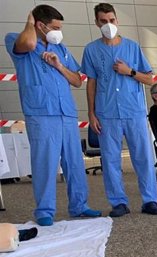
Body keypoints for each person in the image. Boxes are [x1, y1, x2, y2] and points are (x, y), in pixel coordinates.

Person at [4, 5, 101, 226]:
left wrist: (58, 65)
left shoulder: (61, 48)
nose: (59, 31)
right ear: (40, 25)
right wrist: (29, 22)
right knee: (45, 163)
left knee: (75, 162)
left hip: (66, 112)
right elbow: (28, 43)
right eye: (55, 27)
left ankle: (79, 206)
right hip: (41, 113)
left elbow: (76, 80)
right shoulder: (16, 39)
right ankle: (45, 210)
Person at [81, 2, 157, 218]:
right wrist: (91, 113)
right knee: (110, 160)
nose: (108, 24)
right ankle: (118, 202)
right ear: (96, 22)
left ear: (117, 20)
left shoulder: (132, 47)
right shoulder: (91, 50)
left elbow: (149, 78)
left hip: (133, 111)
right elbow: (91, 83)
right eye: (103, 21)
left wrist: (130, 71)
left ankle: (150, 200)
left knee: (143, 157)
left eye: (112, 20)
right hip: (107, 114)